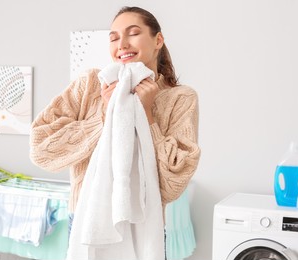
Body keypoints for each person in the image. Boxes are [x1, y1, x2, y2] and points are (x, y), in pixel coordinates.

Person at [29, 6, 200, 238]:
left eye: (133, 33)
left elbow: (173, 185)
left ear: (158, 40)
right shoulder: (90, 84)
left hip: (145, 228)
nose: (122, 44)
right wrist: (105, 116)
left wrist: (148, 116)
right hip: (84, 219)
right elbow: (41, 150)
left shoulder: (180, 98)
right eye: (114, 38)